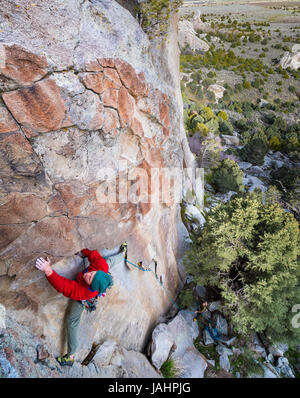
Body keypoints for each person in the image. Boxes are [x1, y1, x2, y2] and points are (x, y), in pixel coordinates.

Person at [35, 242, 127, 366]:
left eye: (89, 278)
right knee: (108, 261)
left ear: (91, 286)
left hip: (85, 297)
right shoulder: (100, 267)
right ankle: (122, 254)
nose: (87, 274)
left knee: (72, 322)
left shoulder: (85, 292)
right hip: (102, 272)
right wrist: (81, 248)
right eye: (91, 273)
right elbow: (93, 254)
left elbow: (64, 287)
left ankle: (71, 356)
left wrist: (48, 270)